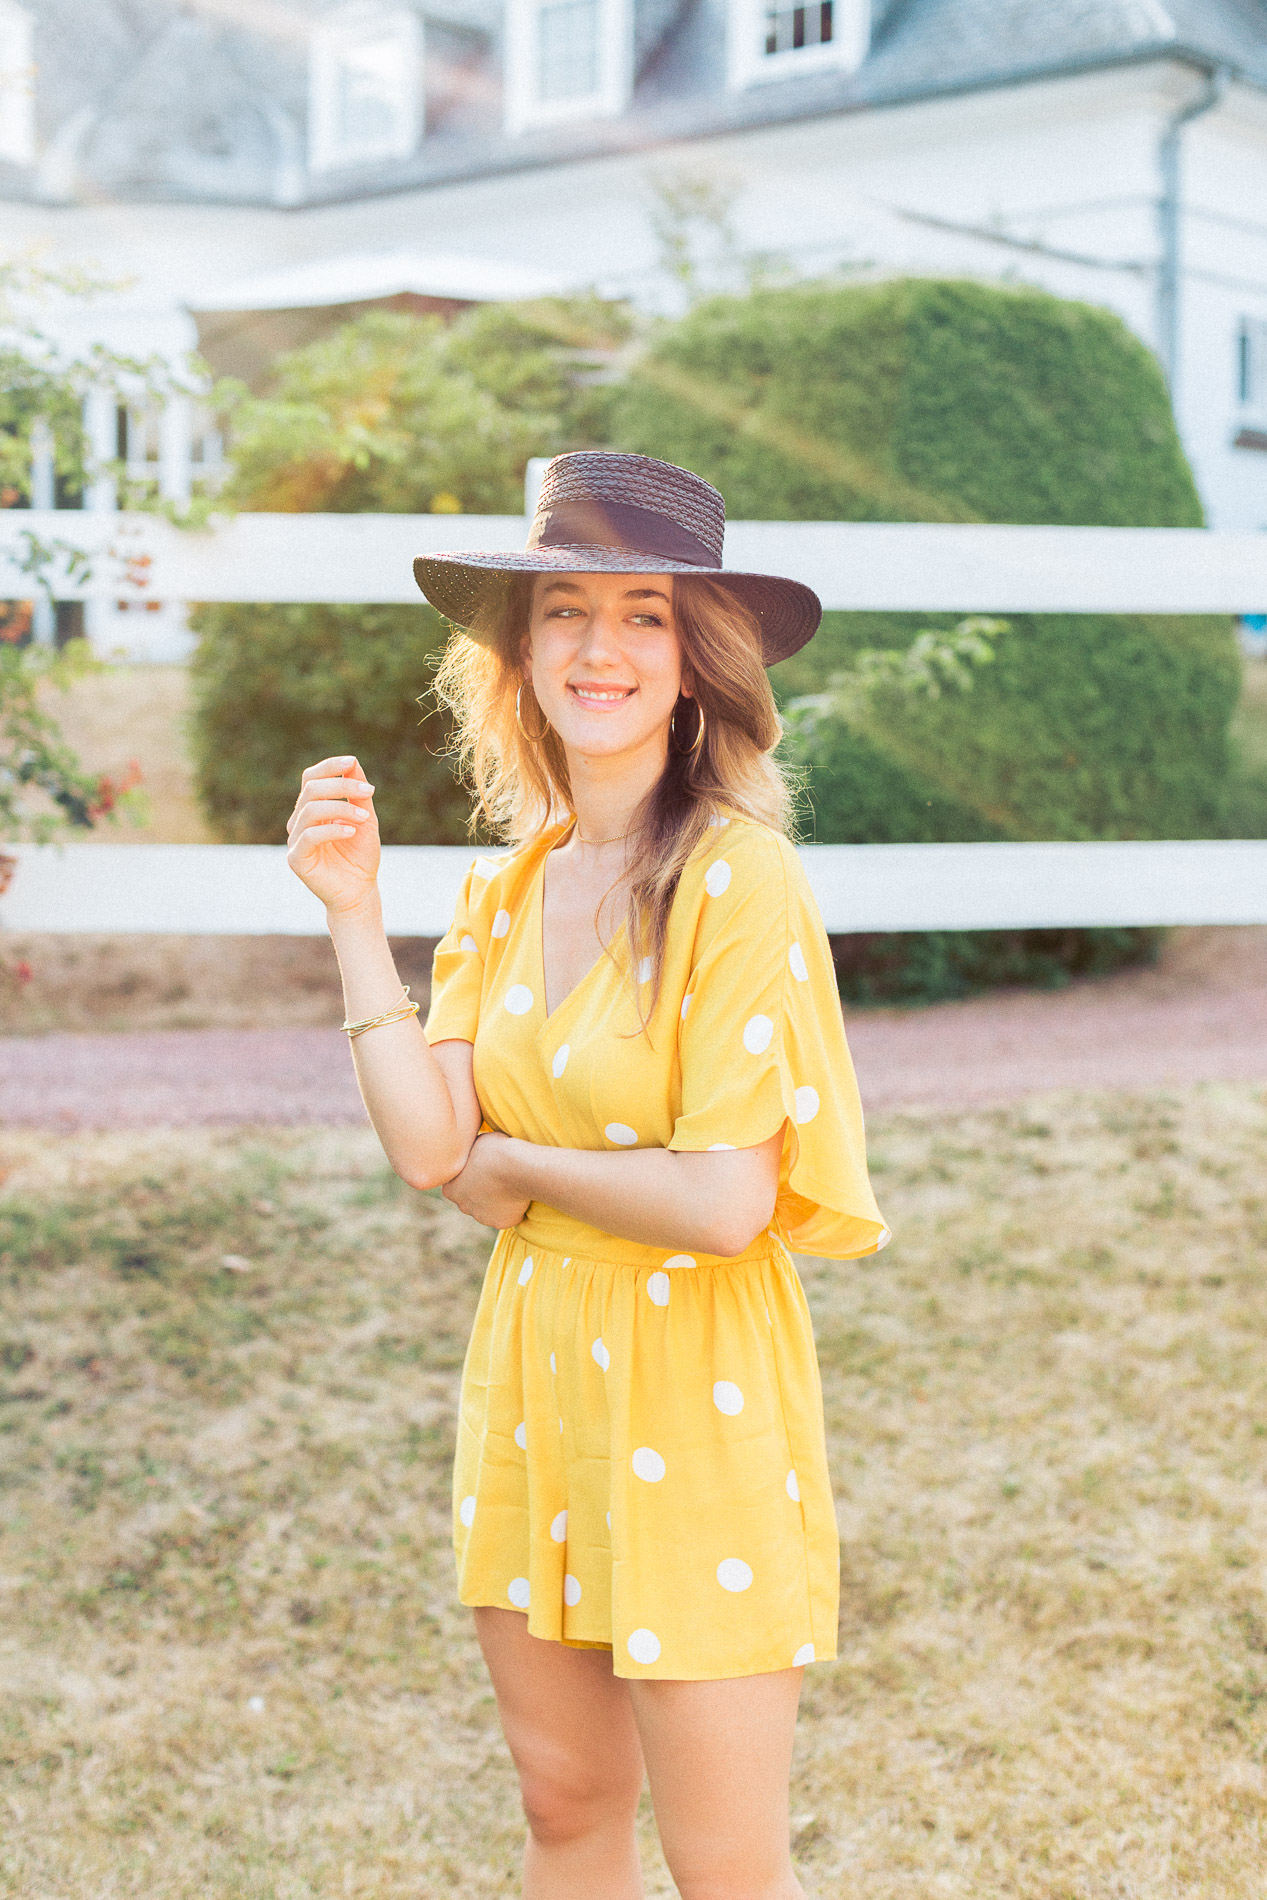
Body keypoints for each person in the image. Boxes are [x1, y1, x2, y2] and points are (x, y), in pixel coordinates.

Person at [287, 452, 888, 1899]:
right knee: (564, 1807)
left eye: (643, 614)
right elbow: (427, 1147)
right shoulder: (504, 886)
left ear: (696, 662)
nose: (598, 648)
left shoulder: (742, 880)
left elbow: (724, 1203)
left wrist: (510, 1163)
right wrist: (355, 918)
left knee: (722, 1861)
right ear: (521, 653)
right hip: (537, 1369)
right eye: (565, 611)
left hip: (697, 1380)